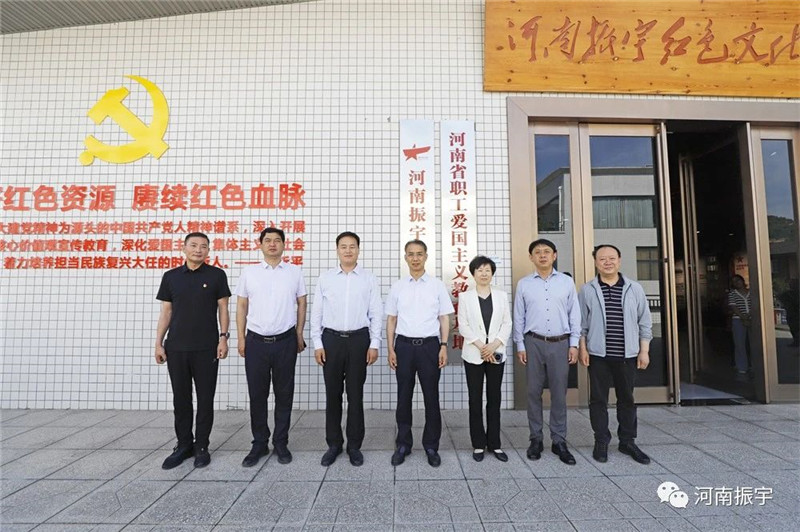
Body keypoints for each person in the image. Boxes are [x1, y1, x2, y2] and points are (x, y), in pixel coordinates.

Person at [155, 232, 231, 469]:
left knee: (205, 399)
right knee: (181, 399)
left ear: (208, 250)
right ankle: (184, 445)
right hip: (176, 347)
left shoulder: (216, 275)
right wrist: (158, 342)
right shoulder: (171, 277)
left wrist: (223, 338)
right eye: (194, 245)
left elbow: (223, 309)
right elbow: (166, 312)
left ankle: (202, 446)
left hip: (206, 348)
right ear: (184, 248)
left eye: (204, 246)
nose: (199, 250)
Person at [235, 227, 307, 467]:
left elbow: (302, 303)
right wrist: (241, 338)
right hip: (256, 342)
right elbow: (242, 306)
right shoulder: (250, 272)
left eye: (277, 240)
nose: (273, 244)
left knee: (284, 394)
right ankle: (259, 442)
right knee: (258, 394)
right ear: (261, 244)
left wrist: (299, 333)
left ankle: (281, 442)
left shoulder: (294, 272)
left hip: (285, 341)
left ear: (284, 245)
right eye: (268, 240)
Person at [311, 231, 383, 467]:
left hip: (358, 340)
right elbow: (317, 313)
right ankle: (333, 444)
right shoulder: (325, 278)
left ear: (358, 250)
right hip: (331, 340)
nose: (348, 250)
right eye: (344, 246)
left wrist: (374, 343)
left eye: (352, 246)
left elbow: (376, 313)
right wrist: (318, 343)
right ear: (337, 250)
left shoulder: (369, 279)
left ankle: (354, 446)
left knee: (355, 395)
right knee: (332, 395)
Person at [578, 244, 653, 465]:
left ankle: (627, 441)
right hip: (598, 355)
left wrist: (644, 351)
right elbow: (581, 325)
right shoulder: (588, 290)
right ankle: (601, 440)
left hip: (627, 355)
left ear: (619, 260)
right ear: (596, 262)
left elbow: (645, 322)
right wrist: (583, 348)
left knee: (627, 399)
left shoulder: (634, 288)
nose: (607, 262)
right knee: (598, 400)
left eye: (612, 258)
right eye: (602, 259)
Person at [386, 239, 454, 467]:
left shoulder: (436, 285)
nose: (415, 258)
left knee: (431, 397)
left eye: (419, 254)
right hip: (404, 347)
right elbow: (391, 320)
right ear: (405, 257)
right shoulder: (398, 286)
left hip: (430, 347)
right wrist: (390, 349)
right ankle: (403, 444)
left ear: (426, 256)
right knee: (403, 397)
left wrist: (443, 345)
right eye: (411, 254)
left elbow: (444, 318)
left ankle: (431, 446)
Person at [512, 238, 580, 465]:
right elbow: (519, 316)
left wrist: (574, 343)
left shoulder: (566, 282)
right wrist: (520, 344)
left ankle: (559, 440)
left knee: (559, 393)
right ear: (531, 257)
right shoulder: (524, 284)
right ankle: (536, 439)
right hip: (533, 342)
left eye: (547, 251)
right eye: (538, 252)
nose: (542, 255)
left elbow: (574, 314)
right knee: (533, 392)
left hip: (560, 343)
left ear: (554, 255)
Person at [457, 255, 513, 462]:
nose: (483, 273)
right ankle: (478, 444)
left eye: (487, 270)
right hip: (474, 354)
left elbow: (507, 323)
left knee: (494, 398)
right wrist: (482, 346)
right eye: (479, 270)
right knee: (475, 399)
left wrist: (494, 345)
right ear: (473, 273)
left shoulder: (501, 295)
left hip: (496, 352)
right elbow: (463, 325)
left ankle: (495, 444)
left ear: (492, 273)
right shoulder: (465, 297)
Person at [728, 274, 751, 378]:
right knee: (739, 344)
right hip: (738, 320)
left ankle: (756, 365)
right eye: (734, 282)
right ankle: (742, 366)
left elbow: (755, 304)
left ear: (742, 280)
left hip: (752, 319)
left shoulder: (751, 292)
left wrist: (749, 316)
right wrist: (743, 317)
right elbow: (734, 307)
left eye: (738, 280)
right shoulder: (732, 294)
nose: (737, 282)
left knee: (755, 344)